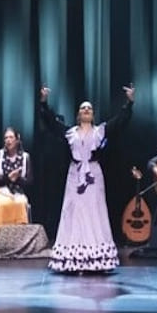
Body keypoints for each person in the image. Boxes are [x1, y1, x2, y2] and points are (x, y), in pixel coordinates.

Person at [39, 84, 134, 273]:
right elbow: (51, 123)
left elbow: (120, 121)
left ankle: (96, 257)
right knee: (73, 212)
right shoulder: (70, 132)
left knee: (94, 211)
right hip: (75, 174)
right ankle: (71, 257)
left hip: (93, 174)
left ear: (93, 114)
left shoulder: (100, 131)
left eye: (89, 108)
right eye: (83, 108)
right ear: (78, 114)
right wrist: (44, 103)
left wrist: (129, 103)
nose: (86, 110)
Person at [0, 127, 32, 229]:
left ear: (17, 139)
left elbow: (29, 182)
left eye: (11, 137)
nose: (8, 140)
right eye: (6, 138)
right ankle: (1, 234)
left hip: (17, 192)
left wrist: (17, 178)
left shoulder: (25, 157)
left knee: (20, 203)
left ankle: (19, 235)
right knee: (2, 204)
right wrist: (8, 177)